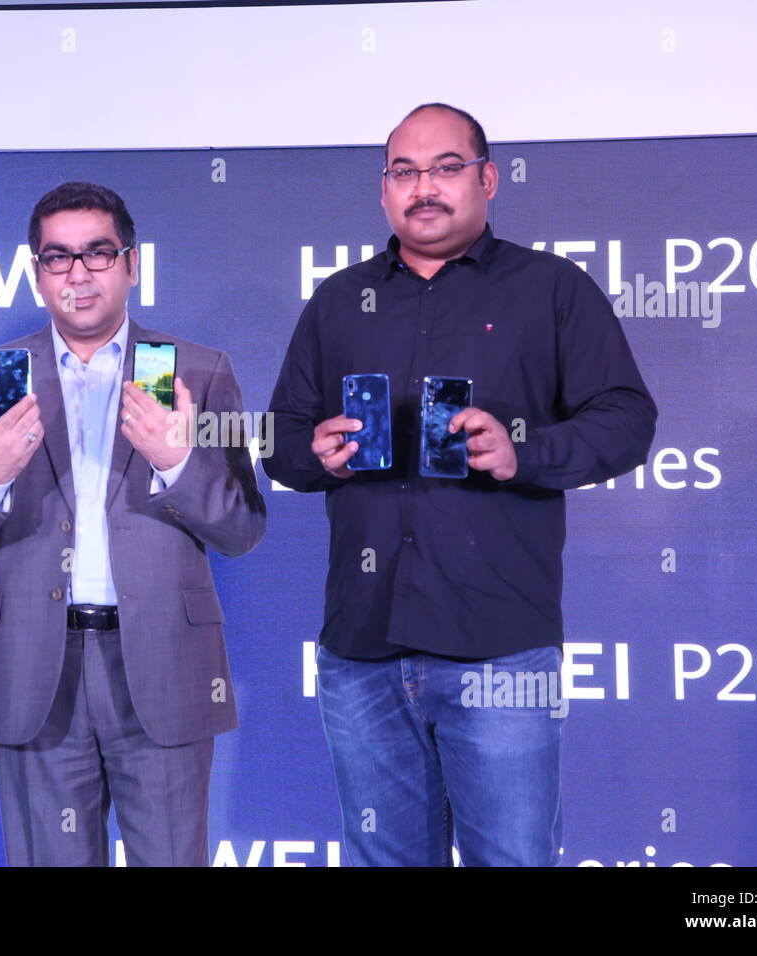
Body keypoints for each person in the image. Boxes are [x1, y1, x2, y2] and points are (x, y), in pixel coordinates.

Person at [265, 103, 657, 866]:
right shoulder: (340, 300)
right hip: (363, 648)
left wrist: (523, 450)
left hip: (498, 652)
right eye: (404, 172)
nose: (424, 188)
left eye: (445, 168)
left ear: (487, 179)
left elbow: (627, 420)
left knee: (511, 859)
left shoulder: (552, 289)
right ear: (384, 191)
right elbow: (282, 440)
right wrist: (315, 453)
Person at [0, 181, 265, 866]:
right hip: (35, 674)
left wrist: (178, 461)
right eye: (57, 258)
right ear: (37, 271)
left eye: (98, 254)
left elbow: (242, 527)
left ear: (132, 264)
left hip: (164, 663)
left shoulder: (196, 371)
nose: (77, 274)